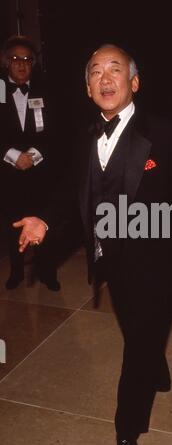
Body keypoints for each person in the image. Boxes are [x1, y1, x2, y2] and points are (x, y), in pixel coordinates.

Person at [13, 44, 172, 445]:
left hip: (154, 264)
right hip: (110, 262)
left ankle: (126, 435)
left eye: (115, 69)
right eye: (95, 72)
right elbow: (69, 193)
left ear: (135, 82)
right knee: (132, 323)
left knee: (136, 349)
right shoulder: (84, 136)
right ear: (87, 87)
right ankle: (157, 365)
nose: (105, 79)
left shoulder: (166, 133)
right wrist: (45, 219)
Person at [0, 35, 60, 291]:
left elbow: (58, 131)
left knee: (43, 220)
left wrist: (33, 155)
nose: (22, 65)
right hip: (7, 171)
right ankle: (16, 272)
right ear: (5, 62)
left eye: (27, 60)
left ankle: (47, 272)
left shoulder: (45, 88)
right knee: (12, 222)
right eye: (16, 59)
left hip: (40, 171)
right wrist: (13, 155)